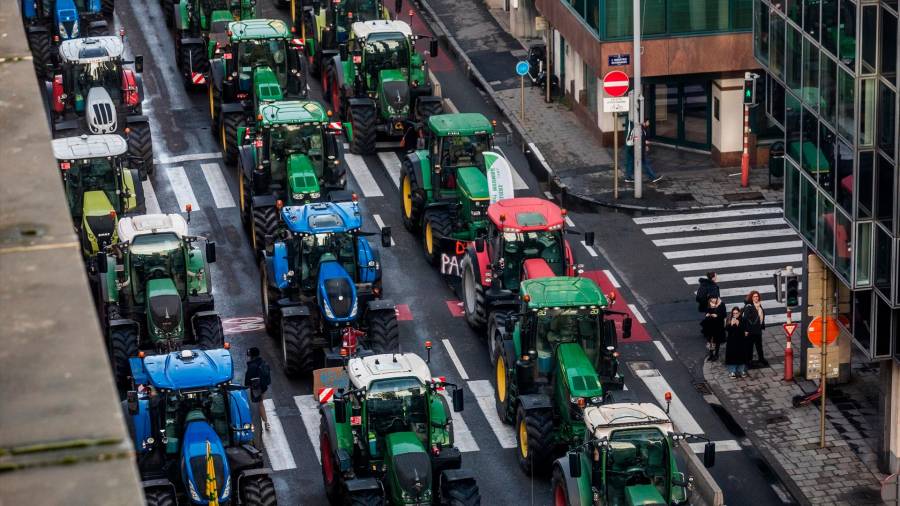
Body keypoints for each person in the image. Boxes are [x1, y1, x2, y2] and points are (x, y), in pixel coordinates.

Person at [624, 120, 663, 184]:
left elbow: (640, 139)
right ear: (644, 122)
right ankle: (653, 177)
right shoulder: (639, 128)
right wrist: (644, 145)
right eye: (648, 122)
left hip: (631, 147)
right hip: (635, 148)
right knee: (645, 163)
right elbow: (638, 139)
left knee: (631, 162)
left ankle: (628, 177)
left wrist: (645, 144)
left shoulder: (639, 127)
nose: (648, 123)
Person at [245, 347, 271, 431]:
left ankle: (265, 423)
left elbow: (248, 379)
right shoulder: (263, 362)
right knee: (261, 403)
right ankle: (265, 422)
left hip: (256, 387)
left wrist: (247, 385)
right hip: (263, 387)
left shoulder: (252, 365)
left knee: (259, 404)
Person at [741, 290, 768, 367]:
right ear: (751, 298)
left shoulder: (759, 305)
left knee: (759, 345)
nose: (756, 298)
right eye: (754, 296)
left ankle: (761, 359)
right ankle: (749, 361)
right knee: (750, 346)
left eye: (757, 296)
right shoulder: (749, 307)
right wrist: (746, 330)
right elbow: (745, 318)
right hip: (751, 330)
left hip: (758, 329)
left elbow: (762, 315)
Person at [724, 307, 749, 378]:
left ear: (739, 313)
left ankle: (741, 370)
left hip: (741, 341)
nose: (735, 315)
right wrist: (731, 324)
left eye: (736, 313)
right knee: (732, 356)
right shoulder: (729, 319)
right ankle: (732, 371)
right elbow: (727, 330)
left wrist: (738, 324)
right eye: (734, 313)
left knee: (741, 355)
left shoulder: (743, 320)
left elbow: (745, 331)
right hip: (732, 342)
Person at [701, 296, 726, 361]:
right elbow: (706, 312)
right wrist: (707, 314)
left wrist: (717, 315)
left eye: (714, 298)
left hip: (718, 325)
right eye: (712, 299)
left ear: (717, 298)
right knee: (710, 340)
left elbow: (724, 314)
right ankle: (711, 354)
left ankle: (716, 354)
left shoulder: (721, 304)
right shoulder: (709, 303)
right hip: (710, 324)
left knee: (717, 340)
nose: (713, 300)